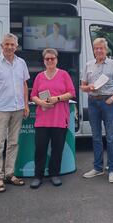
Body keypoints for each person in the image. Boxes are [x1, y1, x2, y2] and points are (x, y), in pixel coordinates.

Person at [0, 33, 30, 193]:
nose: (9, 47)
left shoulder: (21, 63)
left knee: (13, 143)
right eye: (7, 44)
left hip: (17, 109)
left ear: (16, 47)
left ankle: (10, 174)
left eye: (12, 45)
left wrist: (26, 105)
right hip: (1, 110)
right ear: (1, 46)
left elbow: (24, 85)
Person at [81, 38, 113, 183]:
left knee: (111, 137)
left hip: (108, 102)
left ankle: (112, 169)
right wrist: (89, 88)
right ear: (93, 50)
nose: (99, 51)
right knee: (96, 137)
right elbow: (82, 86)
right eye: (96, 48)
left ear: (106, 50)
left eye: (101, 48)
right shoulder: (88, 65)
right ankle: (97, 168)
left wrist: (112, 99)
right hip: (93, 102)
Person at [30, 48, 76, 189]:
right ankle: (38, 176)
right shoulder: (39, 76)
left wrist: (57, 98)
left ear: (57, 59)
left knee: (57, 149)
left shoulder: (64, 74)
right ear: (44, 61)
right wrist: (41, 102)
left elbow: (72, 93)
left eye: (52, 58)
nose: (50, 61)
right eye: (47, 59)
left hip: (59, 119)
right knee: (40, 149)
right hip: (42, 120)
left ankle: (54, 174)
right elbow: (33, 95)